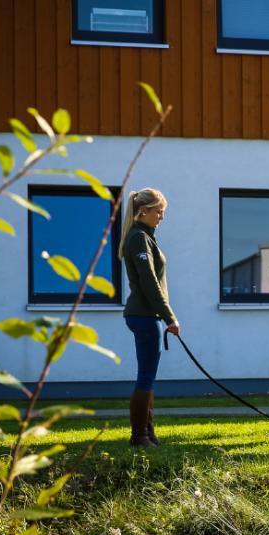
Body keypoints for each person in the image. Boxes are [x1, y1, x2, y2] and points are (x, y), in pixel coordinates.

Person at [118, 188, 180, 447]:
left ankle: (148, 433)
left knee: (148, 375)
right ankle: (139, 436)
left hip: (146, 315)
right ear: (144, 210)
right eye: (159, 211)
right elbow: (149, 282)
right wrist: (170, 318)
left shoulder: (144, 237)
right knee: (145, 375)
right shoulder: (138, 238)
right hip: (144, 316)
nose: (161, 217)